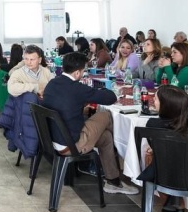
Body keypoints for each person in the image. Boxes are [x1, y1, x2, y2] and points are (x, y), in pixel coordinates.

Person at [41, 52, 139, 195]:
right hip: (71, 144)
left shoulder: (53, 83)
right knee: (106, 115)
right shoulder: (77, 88)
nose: (83, 74)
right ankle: (130, 151)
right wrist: (111, 90)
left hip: (53, 140)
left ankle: (113, 181)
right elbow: (110, 98)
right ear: (77, 73)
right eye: (83, 71)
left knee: (106, 137)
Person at [137, 85, 188, 212]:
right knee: (177, 160)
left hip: (163, 177)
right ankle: (177, 204)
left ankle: (174, 203)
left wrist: (156, 149)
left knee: (152, 157)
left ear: (166, 105)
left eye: (156, 99)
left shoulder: (153, 124)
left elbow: (156, 146)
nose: (152, 101)